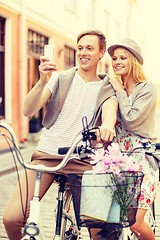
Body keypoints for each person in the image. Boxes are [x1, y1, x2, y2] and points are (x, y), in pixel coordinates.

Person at [3, 30, 118, 240]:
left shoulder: (107, 86)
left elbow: (110, 111)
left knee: (101, 233)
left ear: (101, 53)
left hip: (83, 160)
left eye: (89, 48)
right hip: (47, 155)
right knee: (12, 219)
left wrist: (108, 126)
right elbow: (28, 111)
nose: (83, 53)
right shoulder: (59, 78)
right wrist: (41, 81)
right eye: (80, 48)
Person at [107, 38, 159, 240]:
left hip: (142, 163)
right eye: (114, 58)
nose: (117, 62)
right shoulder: (112, 89)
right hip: (118, 163)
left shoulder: (147, 88)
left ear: (133, 61)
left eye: (123, 58)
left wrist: (119, 90)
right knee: (112, 221)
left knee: (135, 223)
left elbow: (131, 120)